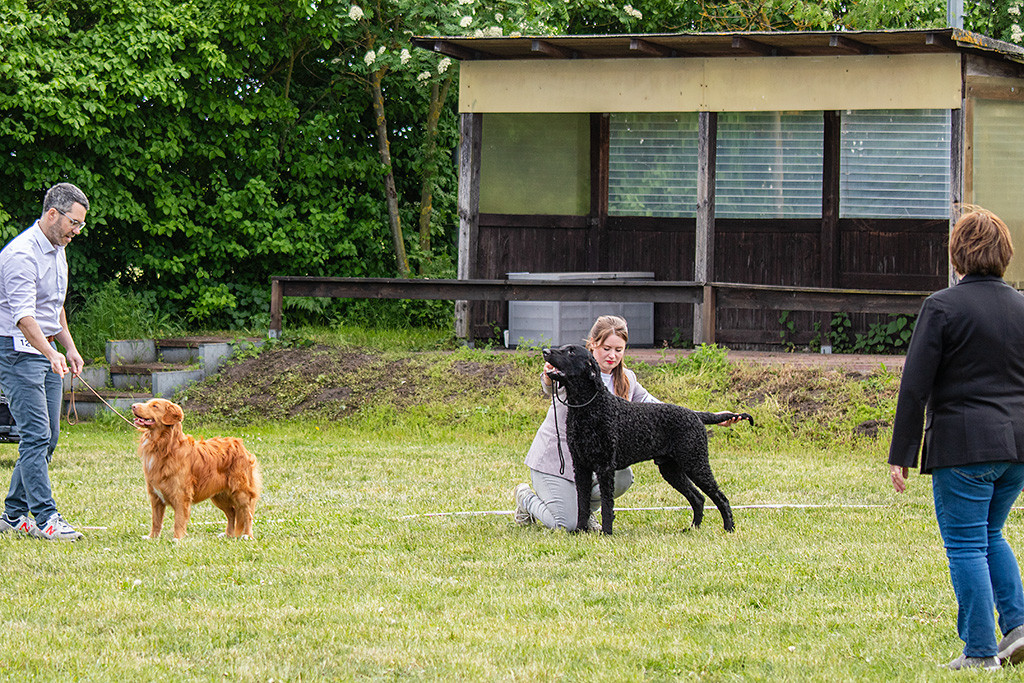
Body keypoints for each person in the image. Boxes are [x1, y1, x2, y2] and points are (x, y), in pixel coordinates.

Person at [888, 207, 1024, 670]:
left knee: (966, 544)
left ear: (957, 257)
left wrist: (901, 453)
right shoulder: (1023, 307)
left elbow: (914, 385)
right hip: (1018, 450)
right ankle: (1018, 628)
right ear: (1004, 255)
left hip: (964, 448)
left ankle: (981, 652)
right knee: (992, 533)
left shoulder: (942, 306)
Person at [512, 314, 739, 531]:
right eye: (606, 349)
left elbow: (657, 408)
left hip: (598, 460)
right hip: (555, 464)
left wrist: (709, 417)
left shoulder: (627, 379)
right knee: (565, 524)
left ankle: (582, 513)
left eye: (618, 350)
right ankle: (527, 499)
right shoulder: (573, 369)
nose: (612, 355)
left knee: (621, 475)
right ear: (593, 345)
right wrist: (547, 374)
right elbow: (549, 386)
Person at [0, 183, 87, 541]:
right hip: (17, 351)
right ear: (52, 213)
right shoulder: (21, 254)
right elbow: (24, 316)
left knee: (48, 438)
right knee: (35, 435)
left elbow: (53, 308)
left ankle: (13, 515)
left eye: (81, 225)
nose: (76, 231)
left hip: (45, 348)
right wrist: (49, 352)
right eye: (73, 222)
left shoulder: (57, 249)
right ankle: (47, 517)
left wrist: (68, 346)